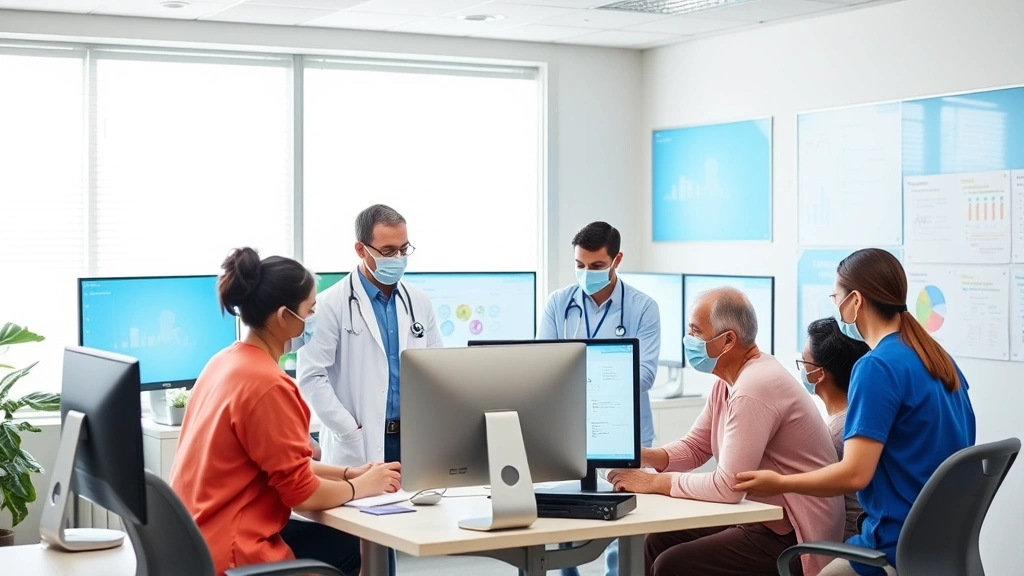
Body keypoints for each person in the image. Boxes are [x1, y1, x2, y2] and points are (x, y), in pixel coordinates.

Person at [734, 248, 977, 576]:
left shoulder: (877, 367)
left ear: (856, 301)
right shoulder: (937, 358)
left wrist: (781, 481)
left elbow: (854, 474)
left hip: (893, 545)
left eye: (836, 297)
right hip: (943, 544)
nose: (835, 307)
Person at [170, 247, 401, 576]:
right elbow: (303, 494)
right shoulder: (269, 385)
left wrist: (350, 473)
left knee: (342, 544)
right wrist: (365, 487)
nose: (314, 318)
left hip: (197, 540)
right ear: (283, 317)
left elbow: (281, 463)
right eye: (311, 309)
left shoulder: (223, 363)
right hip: (233, 554)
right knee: (346, 551)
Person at [608, 287, 843, 576]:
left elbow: (727, 487)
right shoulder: (728, 380)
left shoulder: (755, 386)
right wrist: (640, 457)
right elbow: (697, 446)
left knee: (672, 565)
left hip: (793, 533)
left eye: (695, 332)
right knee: (657, 541)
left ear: (728, 340)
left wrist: (653, 483)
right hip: (759, 515)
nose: (688, 340)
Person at [297, 205, 442, 575]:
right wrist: (350, 429)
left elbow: (438, 370)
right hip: (357, 445)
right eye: (388, 251)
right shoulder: (331, 305)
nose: (398, 259)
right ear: (361, 250)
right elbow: (311, 376)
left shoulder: (418, 302)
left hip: (408, 440)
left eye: (404, 249)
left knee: (401, 536)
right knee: (361, 552)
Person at [537, 221, 660, 576]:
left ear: (616, 260)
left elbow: (645, 376)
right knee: (563, 514)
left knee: (624, 520)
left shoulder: (642, 308)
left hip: (625, 428)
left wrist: (577, 374)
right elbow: (544, 368)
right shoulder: (559, 304)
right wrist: (610, 367)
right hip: (569, 429)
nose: (585, 273)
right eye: (579, 265)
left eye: (595, 266)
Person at [800, 318, 869, 540]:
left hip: (845, 543)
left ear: (818, 373)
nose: (802, 369)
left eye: (803, 362)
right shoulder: (862, 419)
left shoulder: (837, 433)